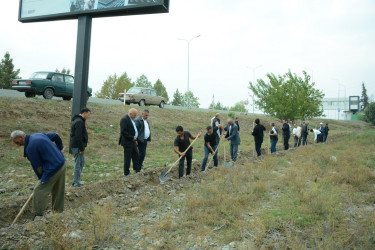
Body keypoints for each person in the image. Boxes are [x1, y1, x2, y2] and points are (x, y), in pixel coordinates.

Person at [11, 130, 66, 219]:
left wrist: (42, 179)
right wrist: (60, 149)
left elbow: (38, 167)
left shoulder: (31, 148)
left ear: (21, 137)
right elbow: (56, 136)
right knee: (58, 189)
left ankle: (38, 215)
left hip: (53, 168)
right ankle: (58, 212)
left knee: (39, 190)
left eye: (17, 142)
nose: (17, 145)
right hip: (61, 163)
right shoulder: (38, 135)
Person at [69, 107, 90, 187]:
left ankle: (76, 180)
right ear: (84, 113)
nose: (88, 116)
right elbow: (78, 136)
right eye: (88, 114)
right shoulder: (79, 122)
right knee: (78, 164)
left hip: (78, 146)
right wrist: (81, 148)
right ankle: (76, 182)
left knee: (81, 163)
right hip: (77, 146)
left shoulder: (79, 121)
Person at [119, 108, 141, 180]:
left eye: (136, 115)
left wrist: (135, 139)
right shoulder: (124, 119)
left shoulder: (132, 119)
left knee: (136, 155)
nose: (135, 116)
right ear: (130, 113)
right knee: (127, 157)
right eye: (134, 115)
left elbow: (133, 130)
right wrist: (132, 138)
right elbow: (123, 132)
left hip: (133, 141)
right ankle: (126, 172)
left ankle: (137, 170)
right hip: (128, 142)